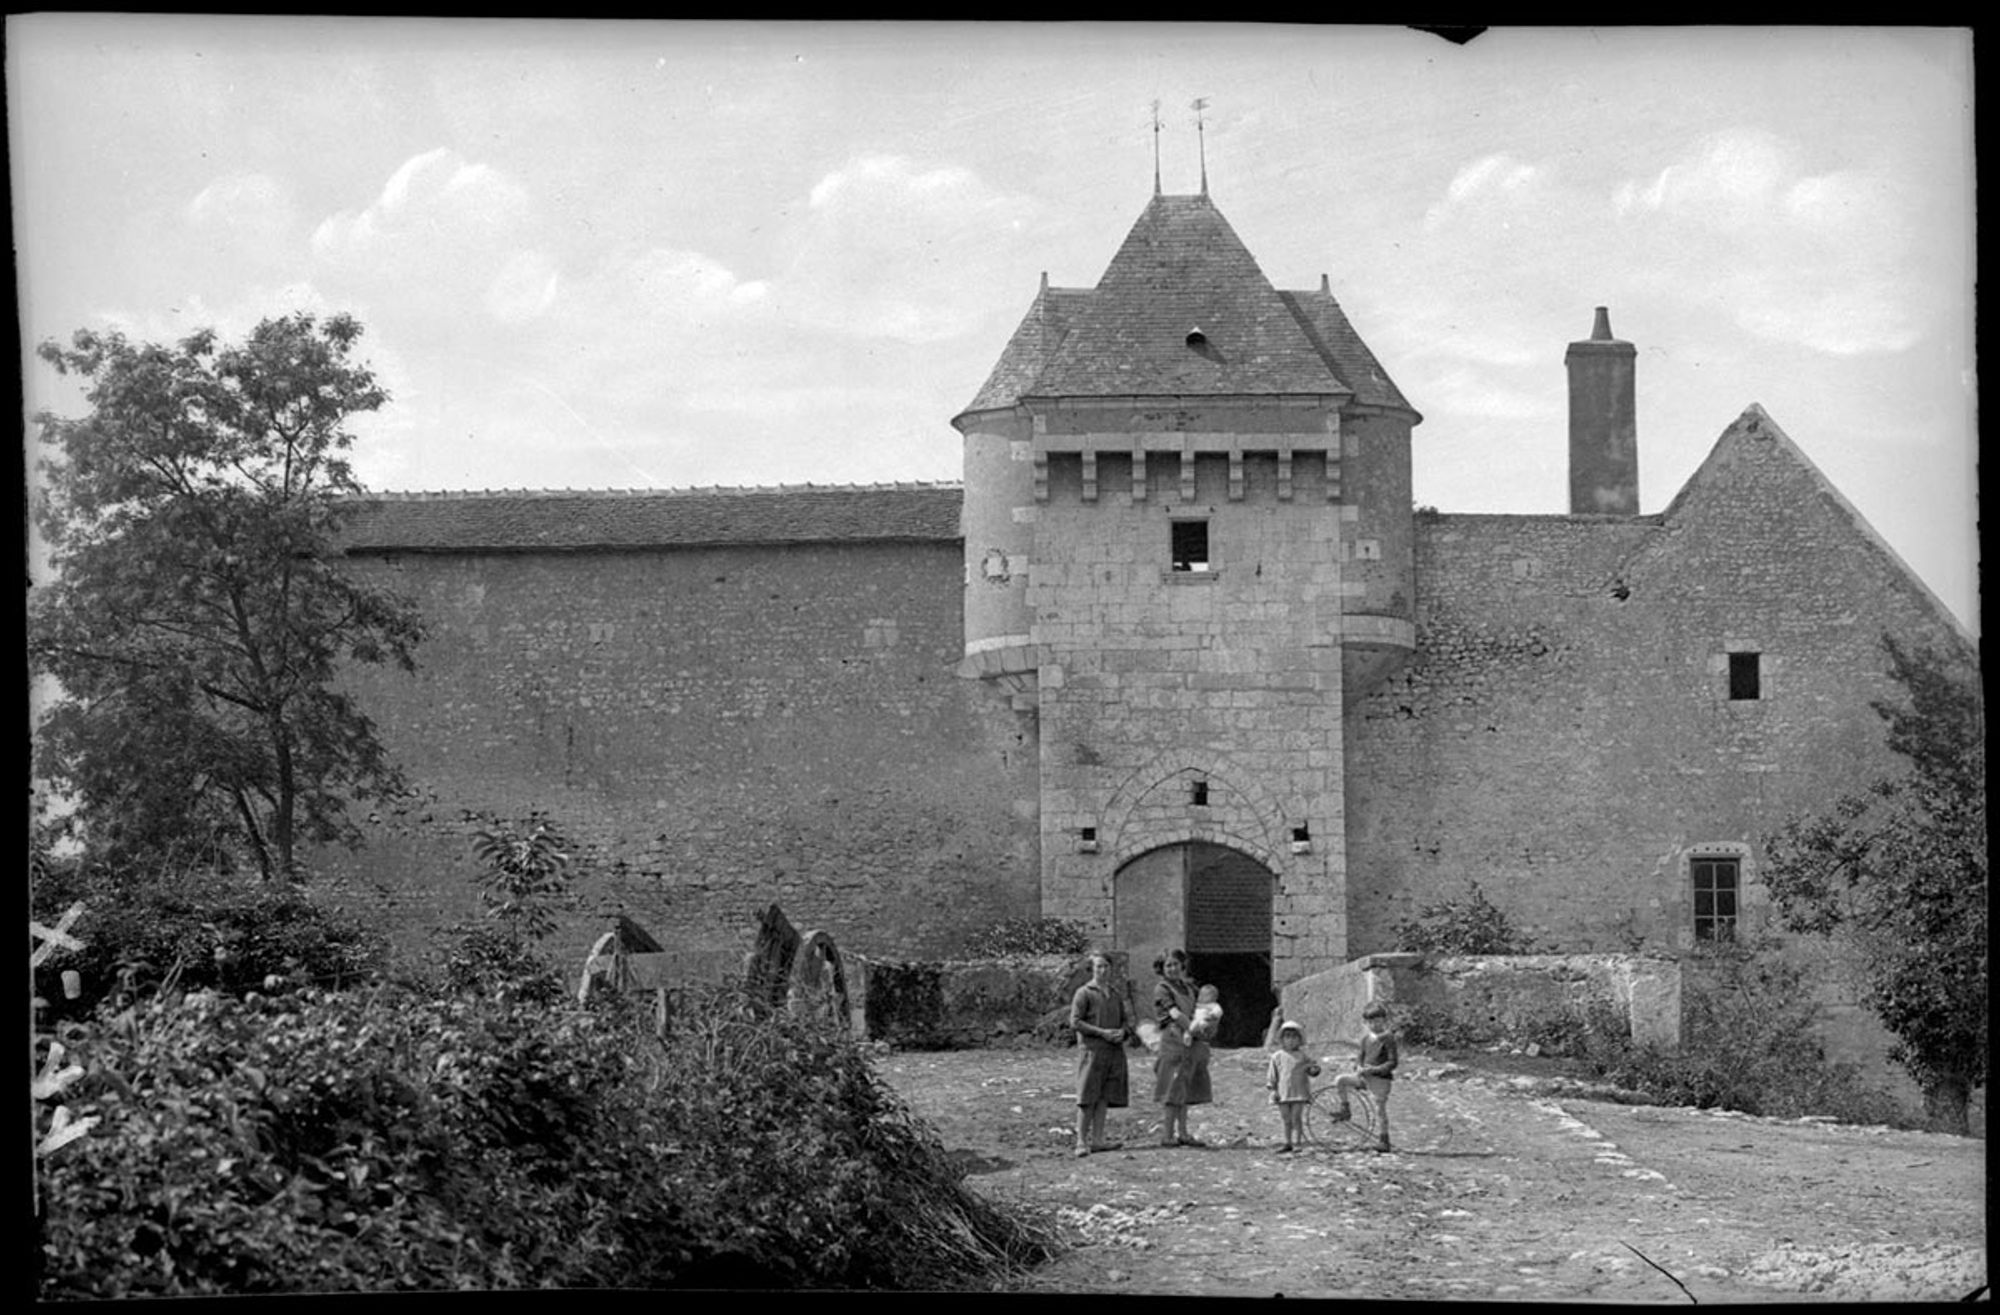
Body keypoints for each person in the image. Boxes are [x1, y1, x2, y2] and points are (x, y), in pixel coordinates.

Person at [1068, 951, 1130, 1157]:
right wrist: (1102, 1032)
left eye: (1106, 966)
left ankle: (1098, 1140)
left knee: (1103, 1096)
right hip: (1092, 1051)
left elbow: (1124, 1020)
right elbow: (1075, 1022)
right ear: (1092, 969)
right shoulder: (1084, 993)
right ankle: (1081, 1141)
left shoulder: (1115, 994)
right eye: (1099, 967)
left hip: (1112, 1052)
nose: (1103, 970)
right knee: (1087, 1097)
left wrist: (1122, 1032)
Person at [1150, 949, 1213, 1147]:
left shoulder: (1189, 988)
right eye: (1168, 965)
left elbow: (1199, 1010)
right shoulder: (1162, 989)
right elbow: (1175, 1014)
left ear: (1182, 965)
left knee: (1185, 1087)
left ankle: (1183, 1133)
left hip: (1190, 1038)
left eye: (1176, 964)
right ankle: (1168, 1135)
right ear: (1162, 968)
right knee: (1172, 1087)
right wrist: (1193, 1029)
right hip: (1173, 1038)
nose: (1172, 968)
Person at [1328, 1000, 1399, 1152]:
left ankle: (1384, 1140)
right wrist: (1358, 1067)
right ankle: (1345, 1109)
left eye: (1378, 1021)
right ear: (1366, 1022)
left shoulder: (1388, 1038)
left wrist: (1374, 1070)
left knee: (1379, 1110)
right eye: (1371, 1021)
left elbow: (1392, 1063)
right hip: (1364, 1077)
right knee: (1340, 1080)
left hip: (1380, 1080)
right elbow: (1360, 1057)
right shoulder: (1366, 1039)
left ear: (1384, 1020)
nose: (1375, 1024)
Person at [1266, 1019, 1321, 1154]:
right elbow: (1272, 1075)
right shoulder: (1277, 1057)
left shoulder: (1303, 1056)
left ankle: (1297, 1143)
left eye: (1294, 1037)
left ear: (1300, 1040)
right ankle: (1287, 1142)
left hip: (1299, 1092)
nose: (1291, 1040)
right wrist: (1273, 1090)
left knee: (1296, 1117)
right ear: (1282, 1039)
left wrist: (1314, 1069)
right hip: (1283, 1092)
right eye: (1287, 1037)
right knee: (1286, 1119)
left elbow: (1312, 1069)